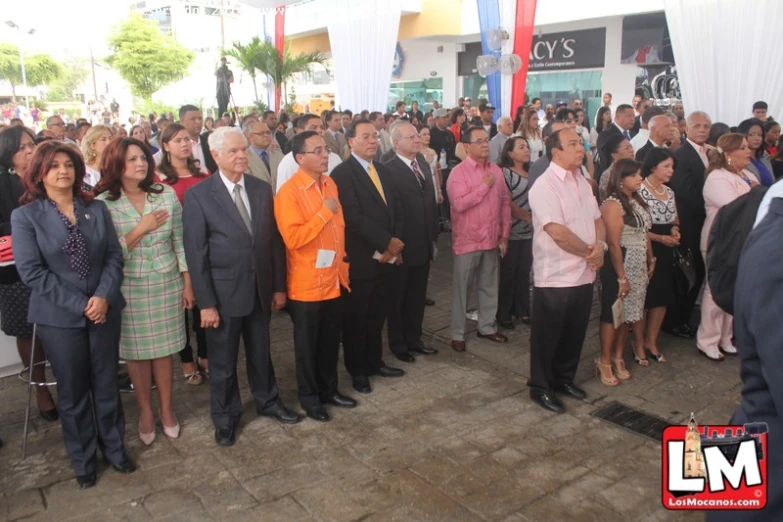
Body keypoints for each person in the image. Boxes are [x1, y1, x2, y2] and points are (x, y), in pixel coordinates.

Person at [12, 141, 131, 488]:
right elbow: (32, 272)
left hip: (105, 310)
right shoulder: (26, 216)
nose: (63, 171)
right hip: (60, 318)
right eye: (54, 166)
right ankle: (83, 460)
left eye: (69, 164)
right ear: (39, 173)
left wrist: (103, 297)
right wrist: (82, 304)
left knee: (107, 384)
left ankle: (114, 448)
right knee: (74, 391)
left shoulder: (94, 208)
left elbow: (113, 256)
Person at [183, 127, 299, 446]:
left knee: (262, 353)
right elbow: (196, 252)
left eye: (243, 150)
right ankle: (225, 416)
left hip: (260, 289)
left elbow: (273, 243)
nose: (240, 156)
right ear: (216, 155)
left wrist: (278, 287)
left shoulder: (261, 189)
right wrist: (206, 303)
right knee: (223, 362)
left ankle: (269, 401)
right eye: (233, 151)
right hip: (222, 294)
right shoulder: (199, 195)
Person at [95, 138, 190, 445]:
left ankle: (166, 408)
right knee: (136, 354)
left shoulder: (165, 194)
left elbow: (180, 241)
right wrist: (141, 228)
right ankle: (145, 411)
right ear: (116, 165)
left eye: (144, 158)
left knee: (164, 351)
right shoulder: (103, 204)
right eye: (132, 159)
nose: (141, 163)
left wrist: (188, 281)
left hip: (165, 283)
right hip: (128, 287)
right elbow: (106, 255)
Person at [274, 130, 356, 421]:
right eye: (318, 151)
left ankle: (329, 389)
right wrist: (323, 212)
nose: (325, 155)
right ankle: (309, 398)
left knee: (330, 340)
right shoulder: (289, 193)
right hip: (306, 283)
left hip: (334, 278)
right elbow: (293, 238)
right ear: (300, 158)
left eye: (325, 150)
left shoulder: (329, 182)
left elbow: (340, 227)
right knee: (307, 346)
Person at [528, 129, 606, 413]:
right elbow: (557, 232)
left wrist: (600, 245)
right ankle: (541, 387)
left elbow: (597, 218)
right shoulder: (544, 185)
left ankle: (563, 379)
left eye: (581, 143)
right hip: (556, 275)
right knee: (548, 335)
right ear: (555, 151)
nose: (580, 148)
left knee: (575, 332)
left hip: (585, 272)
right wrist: (591, 252)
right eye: (572, 144)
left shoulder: (583, 181)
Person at [330, 119, 405, 394]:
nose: (373, 141)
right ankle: (357, 370)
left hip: (387, 257)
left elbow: (395, 208)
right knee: (356, 318)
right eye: (366, 137)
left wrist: (393, 244)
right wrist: (386, 242)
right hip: (362, 258)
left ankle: (375, 361)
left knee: (377, 315)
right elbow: (353, 217)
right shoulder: (342, 174)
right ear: (351, 142)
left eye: (374, 136)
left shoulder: (382, 170)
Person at [0, 126, 58, 421]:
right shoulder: (2, 184)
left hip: (56, 266)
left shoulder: (45, 176)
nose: (29, 150)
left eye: (31, 144)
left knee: (57, 328)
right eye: (21, 147)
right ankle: (41, 390)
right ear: (8, 153)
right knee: (28, 332)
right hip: (16, 271)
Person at [446, 126, 511, 352]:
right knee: (462, 288)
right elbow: (459, 203)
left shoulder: (497, 170)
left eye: (486, 140)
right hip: (467, 240)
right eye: (479, 141)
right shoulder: (459, 173)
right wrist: (484, 186)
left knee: (489, 286)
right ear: (467, 146)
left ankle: (487, 326)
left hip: (491, 238)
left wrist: (504, 234)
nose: (485, 144)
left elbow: (504, 202)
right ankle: (457, 333)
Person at [156, 123, 211, 385]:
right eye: (177, 140)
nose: (184, 144)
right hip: (173, 248)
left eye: (187, 139)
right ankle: (186, 358)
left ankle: (205, 354)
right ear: (165, 146)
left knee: (204, 302)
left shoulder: (202, 173)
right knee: (181, 307)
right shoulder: (159, 179)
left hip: (204, 247)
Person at [697, 134, 757, 361]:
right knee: (715, 291)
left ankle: (726, 337)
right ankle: (707, 340)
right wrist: (754, 192)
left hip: (742, 241)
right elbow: (736, 207)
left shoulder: (747, 175)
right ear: (729, 153)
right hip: (719, 242)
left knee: (734, 289)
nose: (748, 150)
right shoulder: (717, 178)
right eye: (742, 147)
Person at [383, 122, 440, 363]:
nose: (417, 140)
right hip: (403, 247)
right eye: (411, 137)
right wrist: (394, 246)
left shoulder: (423, 164)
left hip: (424, 243)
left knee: (417, 297)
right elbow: (390, 212)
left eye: (417, 135)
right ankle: (398, 344)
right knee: (398, 298)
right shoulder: (388, 169)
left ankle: (415, 339)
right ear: (397, 143)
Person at [597, 159, 652, 385]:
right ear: (621, 180)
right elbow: (613, 243)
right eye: (635, 175)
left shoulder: (636, 199)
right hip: (620, 263)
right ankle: (605, 359)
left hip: (638, 262)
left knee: (629, 313)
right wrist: (621, 276)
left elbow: (645, 231)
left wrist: (651, 257)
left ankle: (619, 356)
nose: (640, 178)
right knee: (614, 313)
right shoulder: (612, 204)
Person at [666, 111, 712, 338]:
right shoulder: (682, 155)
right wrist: (712, 206)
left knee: (697, 273)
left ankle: (683, 318)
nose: (702, 130)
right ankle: (676, 321)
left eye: (706, 126)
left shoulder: (711, 153)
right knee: (687, 275)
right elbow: (686, 193)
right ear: (687, 128)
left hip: (704, 223)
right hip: (690, 224)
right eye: (698, 126)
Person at [638, 148, 680, 363]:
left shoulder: (669, 192)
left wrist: (673, 231)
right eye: (666, 166)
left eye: (672, 166)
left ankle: (652, 340)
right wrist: (661, 239)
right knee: (645, 297)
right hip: (646, 246)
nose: (670, 171)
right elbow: (637, 227)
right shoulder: (640, 189)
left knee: (662, 297)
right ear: (653, 166)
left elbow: (674, 219)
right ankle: (638, 341)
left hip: (666, 248)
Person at [496, 136, 533, 329]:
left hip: (529, 232)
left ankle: (523, 310)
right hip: (510, 231)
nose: (526, 150)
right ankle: (504, 313)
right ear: (510, 153)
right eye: (521, 147)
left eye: (527, 146)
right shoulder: (504, 173)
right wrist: (526, 217)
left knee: (524, 272)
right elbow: (506, 202)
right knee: (508, 273)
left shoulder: (532, 171)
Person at [275, 114, 342, 193]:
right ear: (300, 131)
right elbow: (283, 195)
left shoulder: (334, 157)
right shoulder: (289, 161)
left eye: (322, 127)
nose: (320, 130)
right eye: (313, 128)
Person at [243, 120, 283, 187]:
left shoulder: (279, 156)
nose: (266, 135)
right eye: (261, 133)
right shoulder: (245, 158)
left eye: (268, 132)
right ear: (250, 136)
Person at [737, 118, 774, 187]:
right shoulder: (738, 160)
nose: (757, 138)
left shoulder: (765, 157)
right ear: (742, 135)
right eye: (752, 135)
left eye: (760, 135)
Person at [598, 135, 635, 202]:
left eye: (631, 147)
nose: (631, 150)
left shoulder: (635, 169)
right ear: (614, 155)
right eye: (627, 148)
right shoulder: (608, 175)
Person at [80, 125, 113, 189]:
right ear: (93, 145)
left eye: (110, 138)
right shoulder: (83, 170)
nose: (109, 142)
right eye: (103, 139)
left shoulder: (116, 168)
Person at [418, 126, 444, 207]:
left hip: (434, 183)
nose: (427, 136)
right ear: (418, 136)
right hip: (423, 185)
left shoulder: (433, 151)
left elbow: (436, 173)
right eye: (424, 134)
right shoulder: (416, 153)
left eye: (428, 134)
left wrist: (439, 191)